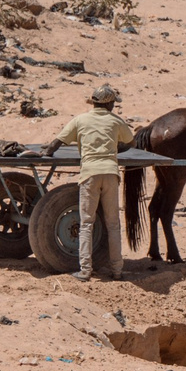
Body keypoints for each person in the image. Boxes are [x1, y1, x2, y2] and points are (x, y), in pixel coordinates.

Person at [52, 84, 134, 280]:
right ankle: (117, 270)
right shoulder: (116, 121)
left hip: (89, 174)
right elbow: (132, 142)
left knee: (87, 223)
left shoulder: (80, 120)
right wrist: (113, 149)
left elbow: (57, 142)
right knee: (113, 224)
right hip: (111, 174)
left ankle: (85, 270)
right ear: (110, 104)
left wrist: (44, 153)